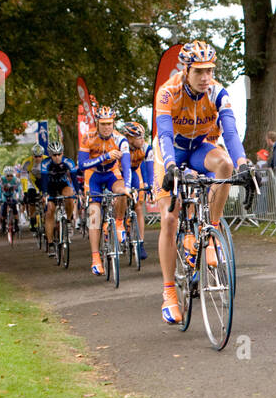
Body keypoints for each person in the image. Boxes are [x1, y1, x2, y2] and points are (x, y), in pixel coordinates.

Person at [154, 41, 250, 323]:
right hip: (170, 151)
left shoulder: (218, 92)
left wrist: (243, 163)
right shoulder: (168, 92)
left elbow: (230, 131)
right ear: (186, 70)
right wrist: (171, 165)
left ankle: (210, 231)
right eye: (199, 71)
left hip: (199, 148)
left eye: (209, 70)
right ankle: (169, 292)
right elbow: (163, 134)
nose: (206, 77)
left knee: (226, 164)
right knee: (170, 219)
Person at [78, 105, 132, 275]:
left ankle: (118, 223)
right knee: (94, 213)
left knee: (123, 191)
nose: (107, 127)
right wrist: (105, 157)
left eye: (110, 123)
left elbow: (127, 166)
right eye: (103, 124)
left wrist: (129, 187)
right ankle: (95, 258)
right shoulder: (88, 137)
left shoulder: (120, 139)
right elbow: (82, 165)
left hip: (111, 174)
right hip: (93, 176)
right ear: (97, 123)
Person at [39, 140, 78, 256]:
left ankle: (69, 220)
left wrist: (79, 192)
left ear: (62, 153)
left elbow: (74, 179)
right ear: (50, 155)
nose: (57, 157)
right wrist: (45, 194)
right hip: (50, 186)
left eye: (59, 154)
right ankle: (50, 243)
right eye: (54, 155)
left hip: (62, 184)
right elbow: (44, 181)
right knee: (50, 210)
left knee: (70, 194)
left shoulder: (68, 162)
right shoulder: (45, 164)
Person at [121, 121, 152, 261]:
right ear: (129, 138)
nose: (142, 139)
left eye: (142, 136)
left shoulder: (146, 147)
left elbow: (149, 168)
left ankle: (140, 243)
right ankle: (118, 225)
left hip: (134, 172)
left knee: (138, 206)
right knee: (119, 198)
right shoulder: (121, 146)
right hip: (119, 173)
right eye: (138, 137)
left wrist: (149, 185)